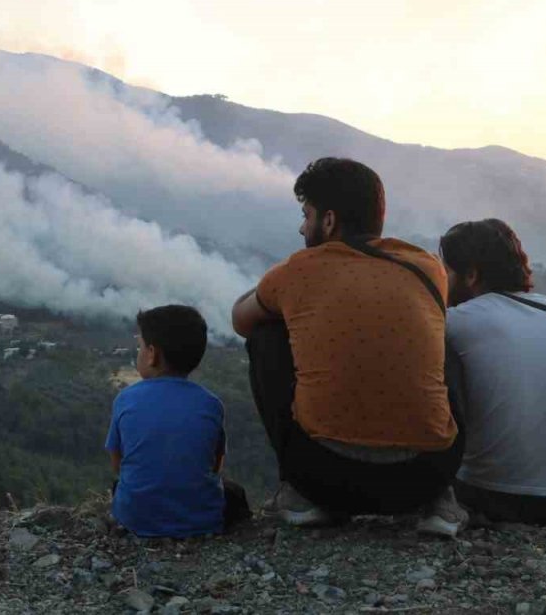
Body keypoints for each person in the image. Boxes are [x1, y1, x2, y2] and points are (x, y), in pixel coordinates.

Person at [231, 157, 466, 536]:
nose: (301, 227)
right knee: (444, 344)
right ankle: (442, 502)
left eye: (306, 215)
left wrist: (276, 290)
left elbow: (240, 319)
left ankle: (299, 495)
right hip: (426, 475)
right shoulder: (428, 267)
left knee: (265, 337)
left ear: (328, 221)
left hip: (324, 478)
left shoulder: (298, 269)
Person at [440, 219, 546, 523]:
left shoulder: (458, 321)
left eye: (447, 272)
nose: (442, 280)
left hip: (489, 495)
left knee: (427, 351)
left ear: (470, 275)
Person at [105, 305, 251, 537]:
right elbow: (215, 465)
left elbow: (117, 464)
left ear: (152, 354)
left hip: (136, 519)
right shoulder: (210, 404)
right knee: (235, 493)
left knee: (120, 486)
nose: (139, 352)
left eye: (140, 346)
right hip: (202, 523)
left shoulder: (126, 399)